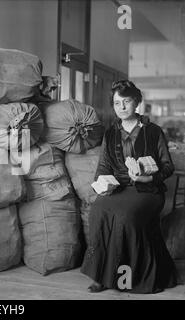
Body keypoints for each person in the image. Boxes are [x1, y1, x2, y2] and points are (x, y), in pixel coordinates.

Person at [81, 79, 177, 294]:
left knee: (126, 216)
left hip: (148, 191)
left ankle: (126, 278)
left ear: (137, 103)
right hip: (120, 188)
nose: (122, 108)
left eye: (126, 102)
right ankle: (101, 275)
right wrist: (101, 185)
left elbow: (168, 167)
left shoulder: (153, 131)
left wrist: (148, 179)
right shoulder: (110, 134)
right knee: (98, 211)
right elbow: (104, 166)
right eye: (117, 103)